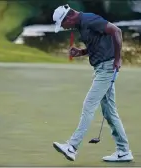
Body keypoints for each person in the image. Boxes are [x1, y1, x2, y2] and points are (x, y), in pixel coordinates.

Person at [52, 4, 133, 162]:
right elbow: (98, 42)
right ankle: (124, 151)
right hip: (101, 68)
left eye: (63, 24)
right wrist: (81, 52)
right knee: (109, 112)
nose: (64, 28)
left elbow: (116, 31)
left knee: (89, 104)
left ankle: (72, 146)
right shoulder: (83, 25)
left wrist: (117, 58)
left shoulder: (89, 20)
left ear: (69, 17)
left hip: (107, 68)